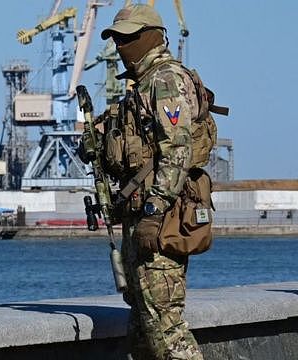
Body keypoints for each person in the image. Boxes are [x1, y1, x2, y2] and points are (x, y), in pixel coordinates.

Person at [98, 4, 204, 360]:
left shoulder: (164, 80)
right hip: (141, 218)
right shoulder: (141, 85)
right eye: (116, 38)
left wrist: (154, 210)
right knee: (143, 330)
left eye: (127, 37)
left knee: (166, 329)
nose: (119, 46)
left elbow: (177, 152)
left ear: (149, 37)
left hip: (160, 221)